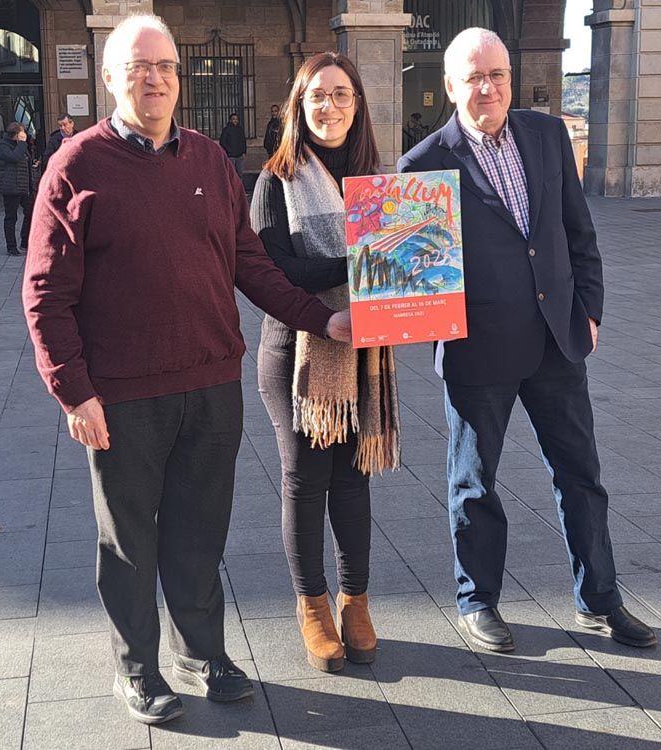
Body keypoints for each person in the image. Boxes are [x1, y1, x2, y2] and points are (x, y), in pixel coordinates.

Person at [21, 14, 352, 727]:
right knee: (130, 538)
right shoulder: (75, 167)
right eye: (138, 66)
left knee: (201, 529)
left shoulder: (208, 161)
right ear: (110, 77)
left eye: (166, 66)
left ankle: (201, 654)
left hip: (209, 384)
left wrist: (320, 319)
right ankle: (137, 668)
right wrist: (73, 390)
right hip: (122, 396)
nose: (154, 78)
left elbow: (251, 266)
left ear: (181, 77)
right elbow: (45, 294)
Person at [397, 28, 657, 653]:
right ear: (451, 87)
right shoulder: (423, 165)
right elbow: (416, 274)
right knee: (474, 482)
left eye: (499, 75)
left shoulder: (546, 136)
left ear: (510, 78)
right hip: (479, 349)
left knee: (581, 476)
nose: (488, 88)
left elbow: (577, 231)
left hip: (557, 341)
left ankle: (600, 601)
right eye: (474, 78)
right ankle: (478, 600)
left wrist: (589, 310)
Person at [251, 52, 399, 674]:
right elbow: (274, 270)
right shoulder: (275, 179)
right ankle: (312, 607)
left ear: (358, 104)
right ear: (298, 105)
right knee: (306, 483)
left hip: (364, 355)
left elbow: (412, 269)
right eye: (318, 96)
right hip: (298, 355)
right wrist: (365, 263)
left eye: (342, 95)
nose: (330, 106)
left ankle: (355, 601)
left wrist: (413, 287)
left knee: (354, 481)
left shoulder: (379, 182)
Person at [0, 121, 35, 256]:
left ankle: (25, 242)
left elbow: (26, 160)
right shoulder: (3, 145)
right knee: (11, 217)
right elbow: (14, 157)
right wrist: (23, 143)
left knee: (31, 213)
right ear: (16, 134)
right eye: (22, 132)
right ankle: (11, 246)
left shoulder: (20, 145)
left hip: (24, 187)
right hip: (11, 187)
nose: (24, 134)